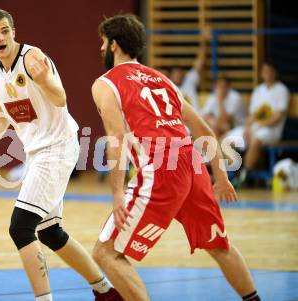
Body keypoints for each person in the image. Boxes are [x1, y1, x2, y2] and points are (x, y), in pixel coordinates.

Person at [0, 9, 122, 301]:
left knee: (20, 227)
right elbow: (0, 118)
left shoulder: (32, 58)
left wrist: (45, 80)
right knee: (50, 232)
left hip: (58, 147)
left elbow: (61, 97)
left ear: (13, 32)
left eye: (4, 31)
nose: (0, 37)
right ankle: (106, 292)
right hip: (37, 152)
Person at [91, 14, 261, 301]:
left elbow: (116, 138)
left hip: (161, 168)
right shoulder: (162, 79)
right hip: (192, 164)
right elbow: (204, 130)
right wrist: (220, 178)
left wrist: (118, 191)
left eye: (103, 42)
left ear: (115, 45)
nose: (100, 48)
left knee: (105, 252)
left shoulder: (106, 83)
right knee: (219, 245)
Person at [230, 61, 290, 187]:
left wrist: (259, 125)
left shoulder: (282, 90)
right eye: (265, 71)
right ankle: (229, 172)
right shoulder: (258, 90)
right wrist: (247, 127)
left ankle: (243, 174)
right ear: (262, 73)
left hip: (272, 130)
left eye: (270, 71)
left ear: (275, 73)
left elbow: (278, 116)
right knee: (228, 138)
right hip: (255, 127)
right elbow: (251, 115)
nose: (267, 74)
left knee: (256, 139)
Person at [169, 27, 209, 112]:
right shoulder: (169, 88)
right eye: (176, 74)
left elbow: (200, 62)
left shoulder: (189, 80)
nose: (178, 77)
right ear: (171, 76)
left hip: (199, 117)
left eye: (180, 74)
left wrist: (204, 41)